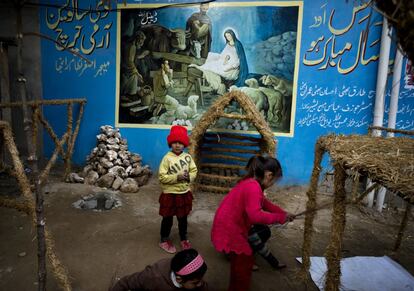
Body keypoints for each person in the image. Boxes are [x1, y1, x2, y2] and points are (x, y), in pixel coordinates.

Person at [211, 155, 295, 291]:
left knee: (241, 264)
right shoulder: (253, 187)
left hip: (229, 225)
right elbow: (255, 216)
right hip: (230, 228)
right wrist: (279, 218)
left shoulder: (252, 182)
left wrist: (283, 213)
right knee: (243, 268)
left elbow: (265, 204)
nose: (273, 184)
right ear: (268, 175)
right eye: (275, 180)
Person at [158, 125, 198, 253]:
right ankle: (164, 240)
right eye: (175, 142)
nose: (177, 145)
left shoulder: (187, 157)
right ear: (170, 143)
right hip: (170, 194)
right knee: (167, 218)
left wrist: (188, 178)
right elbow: (162, 177)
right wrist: (177, 177)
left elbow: (194, 170)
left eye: (180, 142)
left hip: (183, 193)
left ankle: (183, 238)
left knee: (183, 218)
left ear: (184, 144)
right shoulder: (167, 158)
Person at [185, 29, 249, 96]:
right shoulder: (228, 44)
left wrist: (230, 68)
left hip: (233, 67)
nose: (228, 38)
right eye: (226, 36)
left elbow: (239, 60)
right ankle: (200, 67)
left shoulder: (238, 45)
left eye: (229, 36)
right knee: (212, 58)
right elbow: (224, 54)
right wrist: (225, 58)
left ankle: (200, 68)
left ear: (232, 35)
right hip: (226, 62)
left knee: (219, 68)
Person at [110, 248, 209, 290]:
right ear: (179, 279)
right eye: (195, 282)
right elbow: (125, 283)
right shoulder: (152, 277)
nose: (201, 284)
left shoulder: (187, 273)